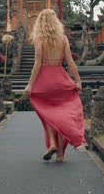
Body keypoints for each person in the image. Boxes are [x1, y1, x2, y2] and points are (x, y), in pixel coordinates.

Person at [23, 9, 86, 162]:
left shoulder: (39, 38)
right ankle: (60, 155)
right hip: (60, 78)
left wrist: (30, 85)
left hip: (44, 80)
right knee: (61, 113)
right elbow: (70, 63)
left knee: (48, 114)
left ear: (40, 22)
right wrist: (78, 80)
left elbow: (37, 64)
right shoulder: (63, 39)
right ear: (55, 21)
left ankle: (52, 144)